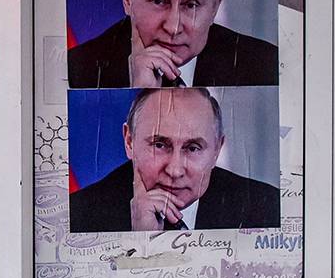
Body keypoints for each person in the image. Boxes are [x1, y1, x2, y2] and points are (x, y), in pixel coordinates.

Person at [66, 0, 279, 89]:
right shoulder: (80, 69)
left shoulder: (263, 64)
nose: (173, 27)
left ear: (215, 6)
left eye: (192, 4)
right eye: (158, 1)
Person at [69, 87, 280, 232]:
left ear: (217, 149)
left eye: (193, 148)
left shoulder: (265, 207)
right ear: (129, 141)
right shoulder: (80, 215)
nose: (175, 170)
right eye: (159, 145)